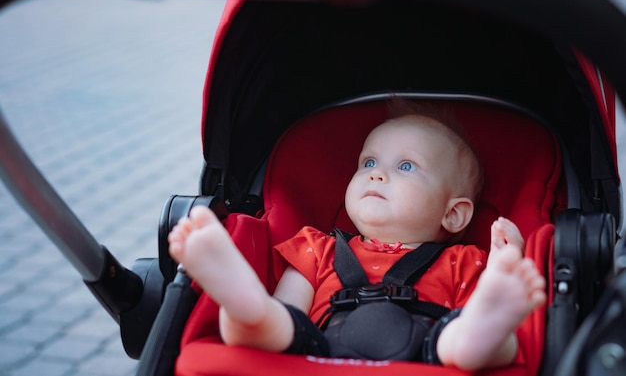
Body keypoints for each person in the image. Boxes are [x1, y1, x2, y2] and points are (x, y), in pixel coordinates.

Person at [168, 104, 546, 371]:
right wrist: (270, 319)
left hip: (432, 352)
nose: (376, 175)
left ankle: (488, 325)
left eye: (406, 166)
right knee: (276, 322)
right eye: (368, 162)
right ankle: (242, 302)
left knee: (464, 332)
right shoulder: (317, 246)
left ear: (454, 213)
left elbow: (469, 308)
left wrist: (500, 260)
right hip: (314, 349)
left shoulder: (463, 260)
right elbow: (291, 311)